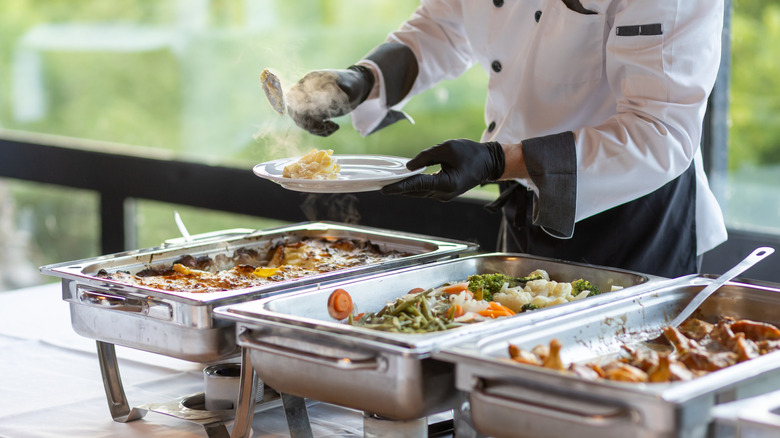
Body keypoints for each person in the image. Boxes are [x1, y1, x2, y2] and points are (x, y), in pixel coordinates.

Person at [283, 0, 727, 278]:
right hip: (524, 192)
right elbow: (444, 22)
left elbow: (659, 133)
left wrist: (498, 161)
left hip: (632, 217)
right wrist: (365, 79)